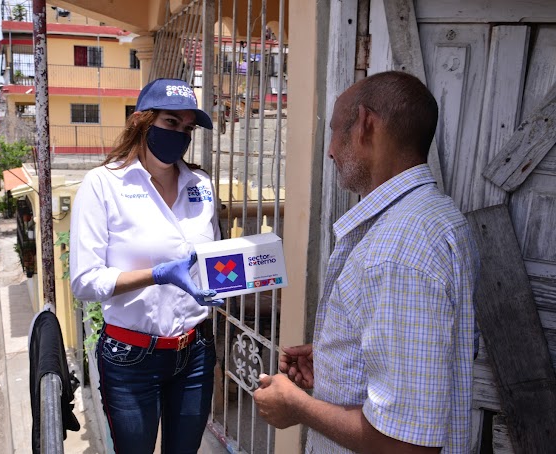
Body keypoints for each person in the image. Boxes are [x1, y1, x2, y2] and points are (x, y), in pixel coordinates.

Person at [253, 71, 480, 453]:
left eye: (336, 131)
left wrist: (298, 407)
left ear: (365, 124)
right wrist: (340, 356)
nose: (330, 150)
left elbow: (407, 445)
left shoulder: (397, 251)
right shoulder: (435, 217)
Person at [69, 78, 224, 454]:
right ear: (142, 121)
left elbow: (213, 259)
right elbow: (84, 281)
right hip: (131, 358)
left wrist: (248, 271)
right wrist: (154, 275)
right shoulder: (103, 185)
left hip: (196, 349)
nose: (181, 135)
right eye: (171, 123)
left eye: (187, 128)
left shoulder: (200, 184)